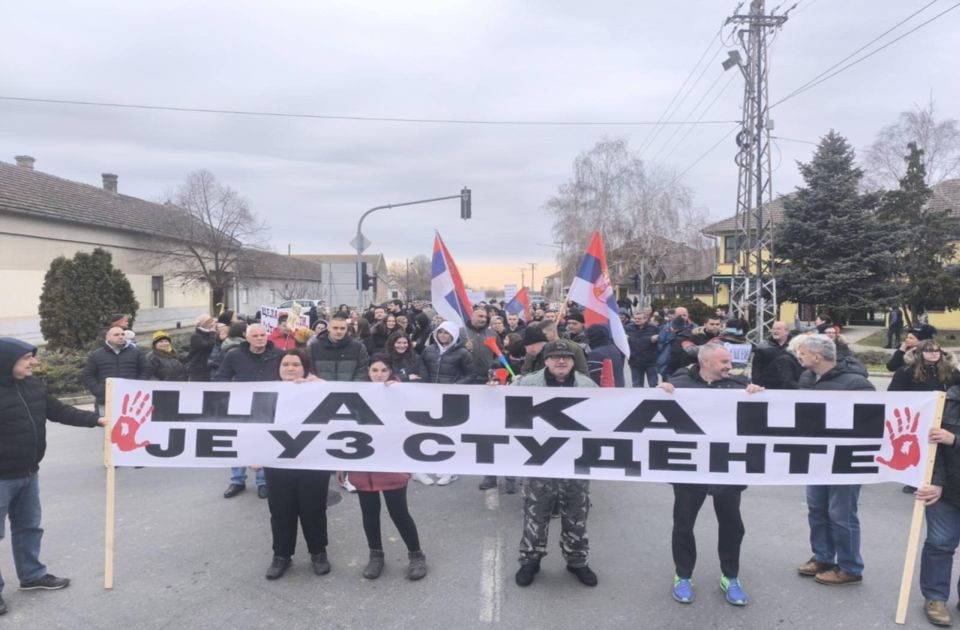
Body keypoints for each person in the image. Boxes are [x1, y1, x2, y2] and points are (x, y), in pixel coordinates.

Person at [0, 337, 105, 615]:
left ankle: (32, 575)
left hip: (29, 472)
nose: (33, 362)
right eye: (26, 358)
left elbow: (58, 410)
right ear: (7, 362)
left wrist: (97, 420)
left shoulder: (33, 385)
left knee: (29, 527)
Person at [658, 344, 763, 606]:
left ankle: (731, 576)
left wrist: (758, 394)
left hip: (727, 468)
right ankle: (683, 576)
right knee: (683, 524)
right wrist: (660, 394)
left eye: (729, 361)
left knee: (732, 526)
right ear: (705, 362)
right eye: (724, 362)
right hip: (690, 468)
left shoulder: (739, 384)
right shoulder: (679, 383)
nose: (730, 366)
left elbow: (760, 418)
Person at [512, 340, 599, 588]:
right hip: (538, 460)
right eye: (555, 357)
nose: (561, 361)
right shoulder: (527, 384)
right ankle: (530, 560)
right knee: (535, 513)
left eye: (566, 357)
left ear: (573, 361)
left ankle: (577, 561)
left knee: (576, 513)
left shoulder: (587, 385)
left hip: (575, 461)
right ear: (546, 361)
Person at [338, 355, 427, 581]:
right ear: (368, 372)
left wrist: (401, 393)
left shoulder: (401, 392)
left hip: (390, 464)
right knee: (369, 513)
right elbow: (344, 428)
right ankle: (375, 555)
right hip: (364, 466)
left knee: (399, 512)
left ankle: (416, 555)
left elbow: (417, 415)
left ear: (390, 371)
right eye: (375, 370)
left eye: (383, 370)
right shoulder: (358, 395)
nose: (379, 375)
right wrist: (342, 462)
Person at [795, 334, 874, 586]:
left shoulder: (856, 383)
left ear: (817, 356)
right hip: (816, 457)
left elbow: (871, 422)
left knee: (841, 514)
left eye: (803, 353)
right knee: (817, 510)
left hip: (845, 459)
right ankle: (823, 558)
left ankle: (850, 567)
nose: (799, 357)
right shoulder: (807, 378)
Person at [263, 348, 333, 580]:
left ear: (305, 368)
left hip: (312, 460)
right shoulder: (267, 392)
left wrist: (319, 385)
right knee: (281, 510)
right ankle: (281, 555)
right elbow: (254, 426)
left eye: (295, 364)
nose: (290, 369)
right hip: (278, 461)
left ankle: (318, 552)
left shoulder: (318, 390)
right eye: (285, 365)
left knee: (313, 509)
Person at [214, 323, 283, 499]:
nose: (260, 338)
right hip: (241, 406)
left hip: (269, 405)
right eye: (255, 336)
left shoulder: (279, 355)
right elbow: (222, 377)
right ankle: (237, 480)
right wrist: (232, 393)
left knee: (264, 442)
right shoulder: (234, 355)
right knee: (239, 442)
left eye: (262, 335)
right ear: (247, 337)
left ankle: (263, 481)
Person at [915, 381, 960, 626]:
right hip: (947, 489)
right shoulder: (944, 402)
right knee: (940, 544)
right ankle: (934, 597)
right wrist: (936, 481)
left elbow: (948, 441)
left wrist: (954, 439)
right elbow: (931, 447)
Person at [417, 322, 474, 486]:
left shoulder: (463, 353)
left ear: (453, 335)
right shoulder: (429, 350)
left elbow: (471, 374)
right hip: (431, 397)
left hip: (451, 399)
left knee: (451, 433)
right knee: (432, 432)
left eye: (446, 333)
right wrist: (424, 385)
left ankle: (451, 470)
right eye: (440, 332)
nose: (443, 336)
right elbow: (423, 369)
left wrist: (456, 386)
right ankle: (436, 464)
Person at [82, 325, 151, 415]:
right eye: (116, 334)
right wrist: (98, 390)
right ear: (108, 337)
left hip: (132, 399)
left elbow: (146, 370)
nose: (121, 336)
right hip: (106, 399)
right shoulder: (96, 355)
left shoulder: (136, 352)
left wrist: (138, 386)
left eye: (122, 334)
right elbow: (88, 375)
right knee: (108, 428)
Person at [309, 314, 370, 383]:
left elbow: (362, 371)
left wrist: (353, 387)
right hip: (322, 391)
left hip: (350, 391)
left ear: (346, 329)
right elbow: (310, 370)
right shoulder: (314, 347)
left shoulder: (358, 347)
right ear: (328, 328)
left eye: (342, 328)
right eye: (335, 328)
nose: (339, 331)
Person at [751, 321, 792, 389]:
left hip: (789, 387)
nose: (775, 331)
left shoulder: (794, 346)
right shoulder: (762, 347)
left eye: (778, 329)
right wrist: (757, 385)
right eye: (773, 329)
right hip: (767, 387)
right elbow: (756, 369)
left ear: (787, 332)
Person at [627, 311, 660, 388]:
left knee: (653, 385)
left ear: (645, 319)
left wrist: (656, 338)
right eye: (635, 319)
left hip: (650, 362)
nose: (637, 320)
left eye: (639, 319)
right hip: (635, 361)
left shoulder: (653, 328)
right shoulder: (628, 328)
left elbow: (659, 341)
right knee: (637, 386)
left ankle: (654, 399)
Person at [186, 314, 218, 381]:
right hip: (198, 369)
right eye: (209, 322)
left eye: (212, 321)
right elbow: (209, 346)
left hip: (208, 368)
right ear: (203, 324)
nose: (212, 323)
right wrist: (213, 333)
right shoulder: (196, 337)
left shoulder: (210, 334)